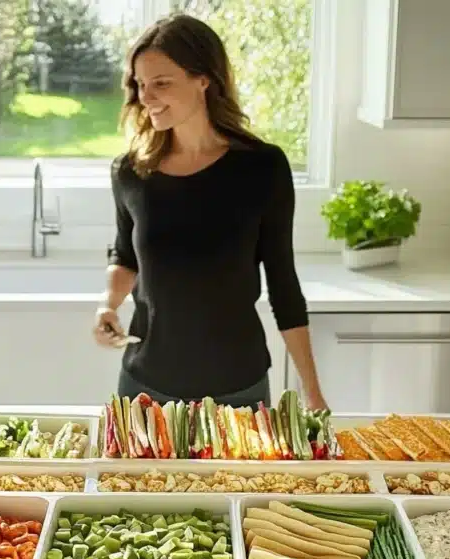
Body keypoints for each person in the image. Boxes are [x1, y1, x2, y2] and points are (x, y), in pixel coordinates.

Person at [94, 13, 327, 411]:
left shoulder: (262, 168)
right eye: (140, 84)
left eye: (162, 83)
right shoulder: (131, 171)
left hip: (237, 389)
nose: (146, 97)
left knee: (242, 479)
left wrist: (312, 392)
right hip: (145, 389)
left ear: (204, 79)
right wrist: (108, 305)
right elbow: (126, 255)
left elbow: (284, 286)